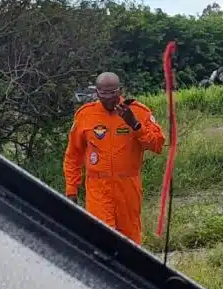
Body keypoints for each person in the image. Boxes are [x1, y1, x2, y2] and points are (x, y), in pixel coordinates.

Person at [64, 72, 166, 245]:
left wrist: (135, 125)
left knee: (130, 243)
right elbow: (73, 155)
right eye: (103, 94)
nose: (108, 99)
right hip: (98, 188)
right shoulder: (85, 115)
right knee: (100, 239)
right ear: (96, 92)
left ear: (120, 91)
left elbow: (157, 144)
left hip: (127, 187)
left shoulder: (139, 112)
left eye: (112, 93)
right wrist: (71, 190)